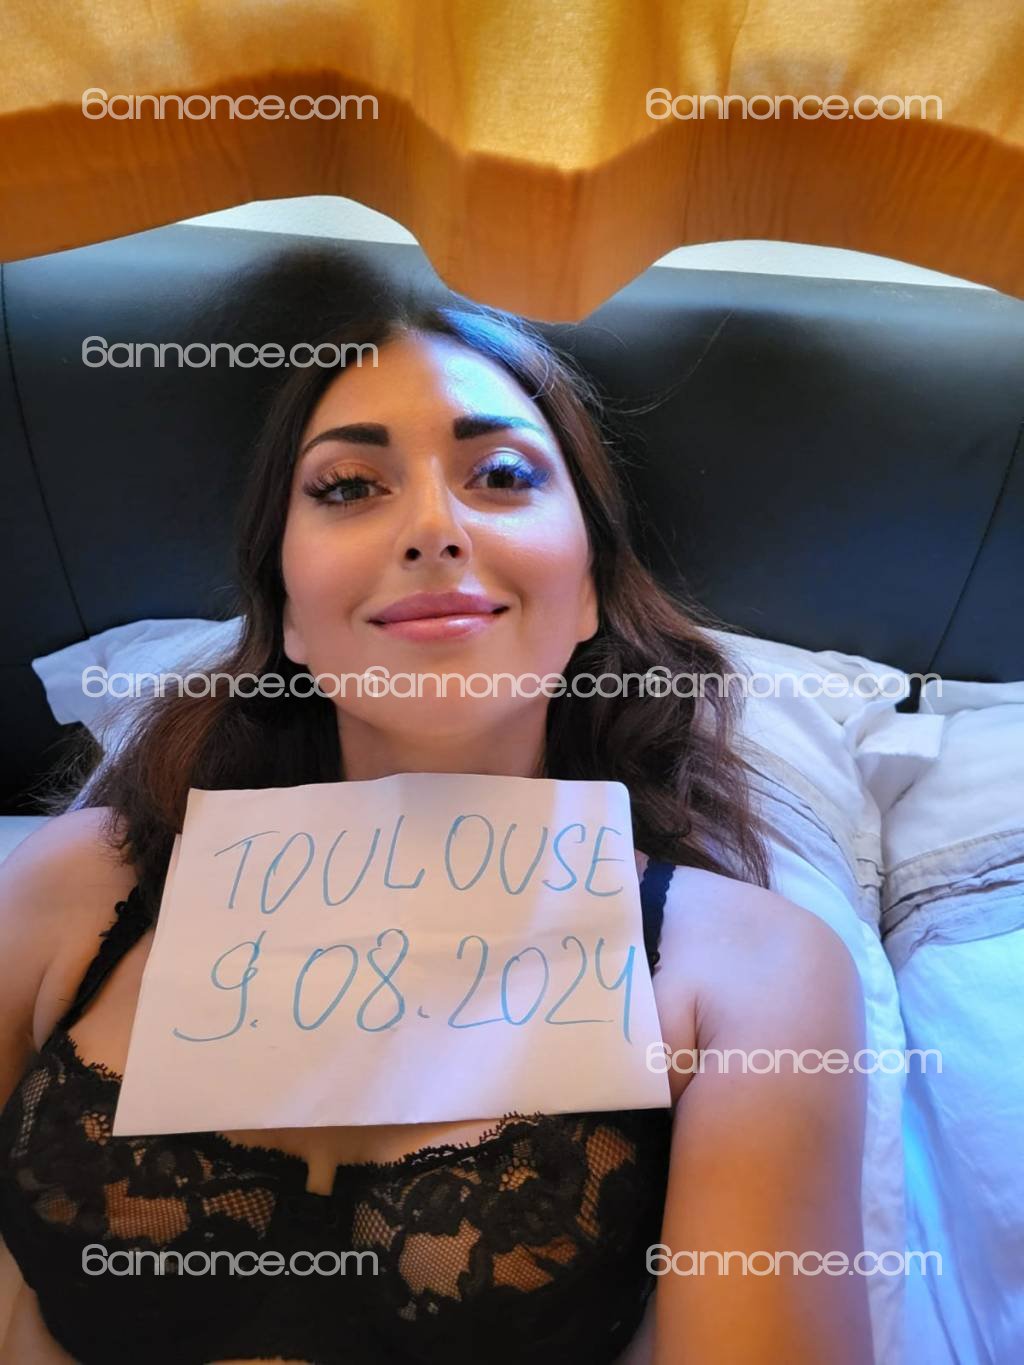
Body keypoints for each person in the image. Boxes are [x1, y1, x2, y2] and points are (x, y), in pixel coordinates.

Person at [0, 303, 872, 1364]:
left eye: (499, 475)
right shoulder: (70, 887)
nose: (430, 528)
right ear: (284, 609)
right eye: (347, 486)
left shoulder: (750, 973)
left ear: (589, 589)